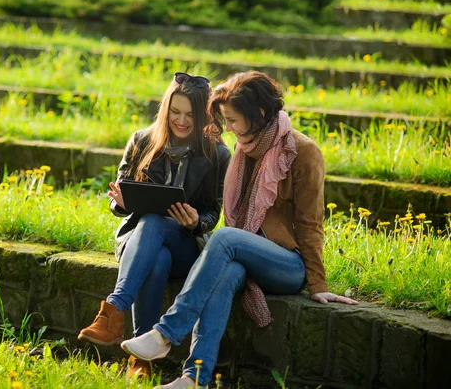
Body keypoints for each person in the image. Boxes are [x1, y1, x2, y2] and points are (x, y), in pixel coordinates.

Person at [119, 71, 358, 389]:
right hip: (248, 257)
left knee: (224, 237)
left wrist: (317, 283)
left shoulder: (303, 152)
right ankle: (195, 378)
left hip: (289, 264)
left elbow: (311, 224)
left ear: (259, 114)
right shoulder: (247, 149)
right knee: (224, 276)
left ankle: (167, 332)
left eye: (232, 120)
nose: (228, 129)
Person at [77, 72, 231, 380]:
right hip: (140, 242)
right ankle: (140, 358)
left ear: (204, 116)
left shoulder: (218, 153)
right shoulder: (142, 140)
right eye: (175, 112)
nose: (182, 121)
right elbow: (118, 203)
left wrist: (196, 221)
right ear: (165, 109)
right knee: (156, 253)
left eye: (190, 115)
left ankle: (113, 311)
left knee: (156, 222)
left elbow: (213, 211)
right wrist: (120, 201)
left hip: (186, 244)